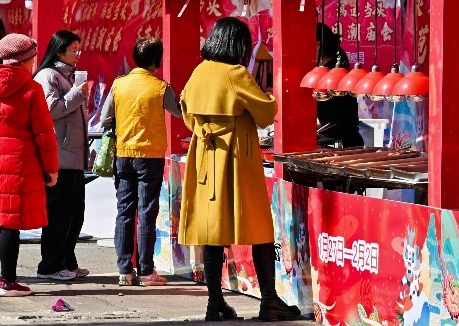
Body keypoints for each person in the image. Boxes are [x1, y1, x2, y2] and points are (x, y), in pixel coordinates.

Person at [179, 17, 301, 322]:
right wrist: (268, 97)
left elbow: (184, 108)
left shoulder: (199, 71)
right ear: (238, 45)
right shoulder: (235, 74)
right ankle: (269, 300)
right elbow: (266, 113)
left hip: (205, 158)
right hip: (235, 160)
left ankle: (215, 303)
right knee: (260, 228)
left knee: (213, 232)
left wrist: (204, 128)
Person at [0, 34, 59, 297]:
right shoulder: (31, 89)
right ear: (25, 60)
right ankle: (8, 281)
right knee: (10, 222)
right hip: (20, 161)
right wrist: (51, 168)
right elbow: (44, 134)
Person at [98, 37, 181, 287]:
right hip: (150, 156)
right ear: (157, 60)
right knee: (147, 211)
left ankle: (125, 270)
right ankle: (146, 269)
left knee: (124, 210)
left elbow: (104, 119)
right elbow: (179, 112)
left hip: (124, 154)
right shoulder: (160, 87)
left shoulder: (119, 85)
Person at [34, 30, 89, 281]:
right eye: (73, 50)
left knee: (75, 214)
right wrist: (77, 93)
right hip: (60, 156)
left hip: (74, 157)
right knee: (59, 214)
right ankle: (50, 265)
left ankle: (67, 260)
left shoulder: (68, 76)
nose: (77, 55)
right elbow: (50, 110)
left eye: (79, 50)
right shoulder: (48, 75)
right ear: (59, 51)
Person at [315, 23, 363, 148]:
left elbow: (331, 119)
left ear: (317, 45)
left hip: (341, 146)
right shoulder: (331, 70)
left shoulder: (330, 74)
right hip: (345, 142)